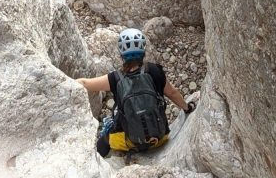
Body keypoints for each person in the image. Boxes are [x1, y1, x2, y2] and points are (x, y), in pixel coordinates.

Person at [76, 28, 195, 157]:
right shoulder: (154, 70)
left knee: (106, 135)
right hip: (160, 138)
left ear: (121, 53)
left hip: (129, 142)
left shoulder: (115, 78)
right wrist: (187, 108)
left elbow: (85, 84)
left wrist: (63, 82)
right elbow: (172, 93)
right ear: (143, 50)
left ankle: (95, 159)